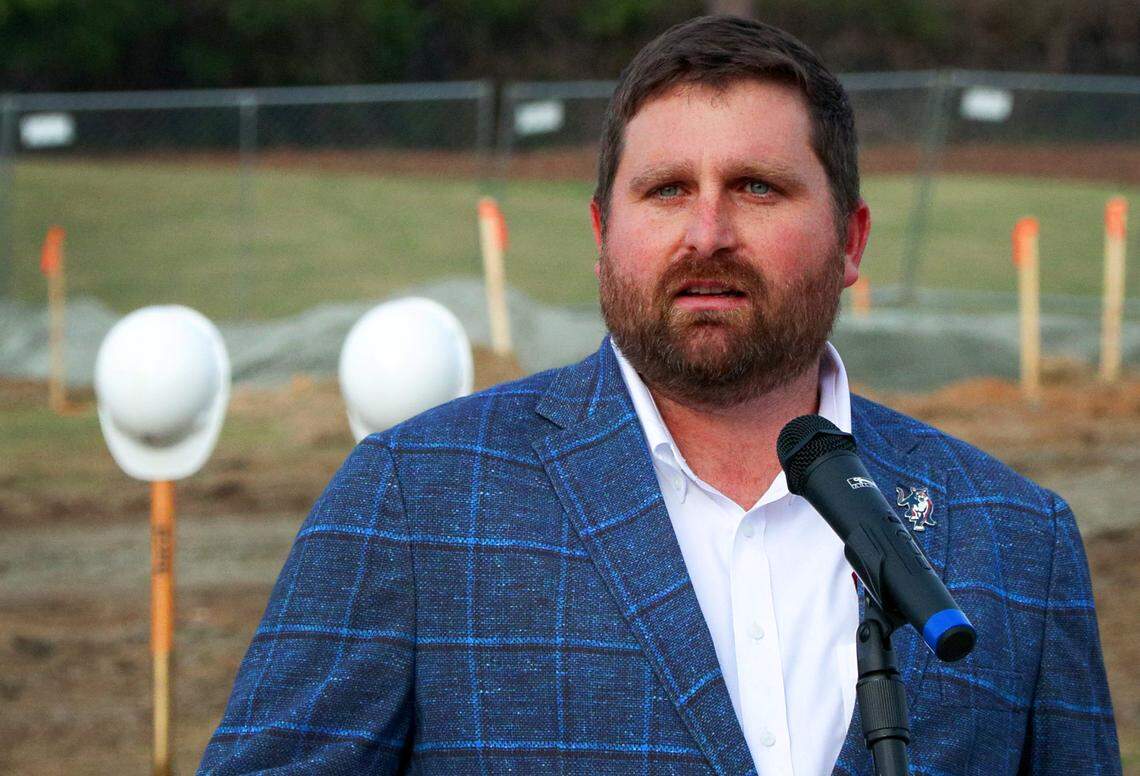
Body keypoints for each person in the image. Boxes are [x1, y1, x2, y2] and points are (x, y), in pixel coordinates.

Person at [199, 15, 1120, 775]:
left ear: (851, 241)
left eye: (757, 187)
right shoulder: (416, 497)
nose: (707, 232)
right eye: (667, 189)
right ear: (603, 235)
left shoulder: (1016, 540)